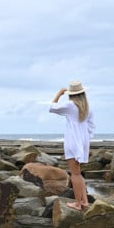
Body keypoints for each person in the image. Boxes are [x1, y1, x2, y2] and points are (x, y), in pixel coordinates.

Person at [49, 80, 96, 210]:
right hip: (83, 140)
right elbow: (91, 126)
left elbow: (52, 107)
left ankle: (78, 203)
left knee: (74, 174)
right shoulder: (88, 107)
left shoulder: (70, 106)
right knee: (78, 172)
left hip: (73, 140)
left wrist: (59, 93)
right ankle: (84, 201)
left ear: (71, 94)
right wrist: (85, 139)